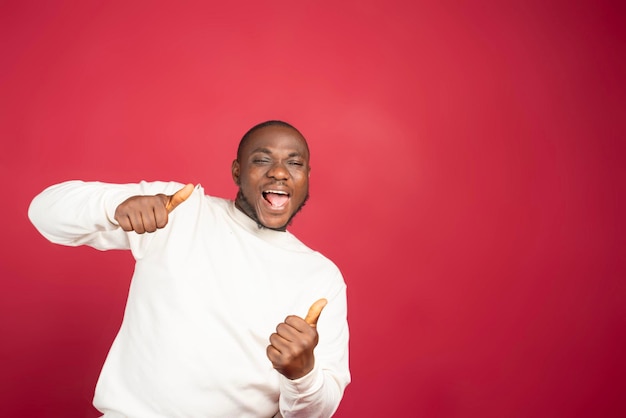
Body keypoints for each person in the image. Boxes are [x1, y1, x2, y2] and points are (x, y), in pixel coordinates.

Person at [28, 120, 350, 418]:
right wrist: (112, 206)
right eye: (262, 160)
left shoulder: (320, 276)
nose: (279, 172)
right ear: (237, 172)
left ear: (307, 176)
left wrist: (302, 375)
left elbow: (315, 412)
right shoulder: (180, 210)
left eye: (294, 163)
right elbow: (43, 212)